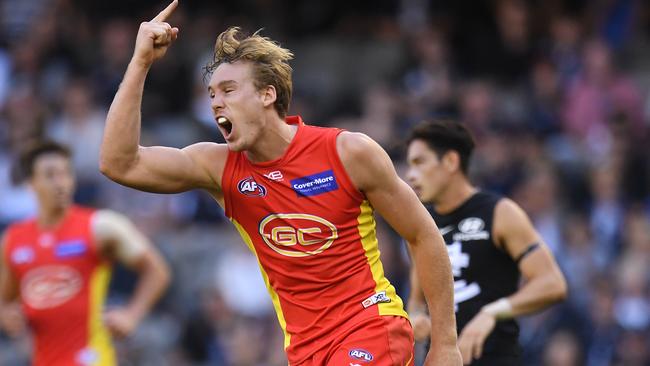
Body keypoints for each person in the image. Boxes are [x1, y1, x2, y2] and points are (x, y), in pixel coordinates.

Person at [99, 1, 461, 365]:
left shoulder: (348, 151)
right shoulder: (218, 167)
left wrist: (445, 344)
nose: (215, 104)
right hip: (305, 351)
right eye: (211, 94)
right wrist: (140, 62)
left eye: (228, 90)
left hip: (370, 325)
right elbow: (119, 163)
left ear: (267, 94)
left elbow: (422, 235)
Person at [405, 120, 568, 365]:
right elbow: (418, 300)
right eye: (409, 165)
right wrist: (416, 318)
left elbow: (552, 284)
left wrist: (492, 312)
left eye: (420, 162)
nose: (410, 174)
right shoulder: (421, 225)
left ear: (450, 161)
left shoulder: (500, 212)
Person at [0, 141, 170, 366]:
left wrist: (132, 315)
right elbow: (5, 301)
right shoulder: (14, 239)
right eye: (50, 175)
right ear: (31, 184)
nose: (61, 183)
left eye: (66, 174)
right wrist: (7, 316)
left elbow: (157, 271)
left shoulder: (101, 226)